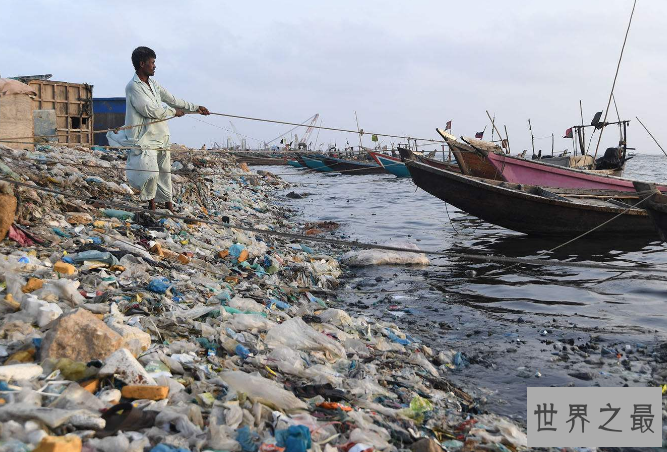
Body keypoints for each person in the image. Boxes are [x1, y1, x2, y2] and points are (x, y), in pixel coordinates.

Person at [107, 46, 209, 211]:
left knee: (165, 173)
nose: (155, 66)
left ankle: (168, 205)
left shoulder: (153, 83)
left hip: (161, 136)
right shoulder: (133, 87)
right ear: (142, 64)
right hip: (145, 138)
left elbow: (172, 99)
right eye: (152, 63)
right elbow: (148, 110)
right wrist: (173, 112)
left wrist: (196, 108)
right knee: (151, 173)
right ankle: (151, 206)